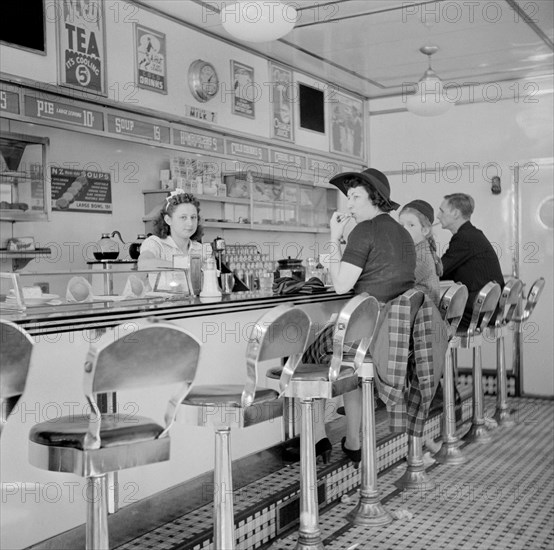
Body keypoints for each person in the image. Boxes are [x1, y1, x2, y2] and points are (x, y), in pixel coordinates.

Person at [286, 168, 415, 464]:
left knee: (304, 355)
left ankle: (316, 437)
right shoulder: (403, 233)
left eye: (355, 196)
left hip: (366, 335)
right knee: (351, 372)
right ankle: (353, 441)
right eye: (348, 197)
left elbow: (342, 284)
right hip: (391, 336)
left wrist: (333, 237)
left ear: (375, 198)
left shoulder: (364, 230)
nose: (349, 204)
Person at [437, 193, 505, 329]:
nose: (438, 216)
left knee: (423, 319)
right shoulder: (471, 235)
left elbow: (439, 270)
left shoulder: (464, 238)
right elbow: (445, 273)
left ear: (455, 213)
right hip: (487, 310)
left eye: (442, 211)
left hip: (476, 313)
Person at [138, 190, 204, 291]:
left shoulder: (199, 249)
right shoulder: (155, 243)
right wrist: (182, 265)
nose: (190, 223)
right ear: (168, 220)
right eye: (183, 217)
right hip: (162, 305)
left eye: (193, 217)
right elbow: (143, 264)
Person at [399, 199, 442, 307]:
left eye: (411, 225)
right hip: (419, 311)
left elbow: (399, 284)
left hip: (421, 317)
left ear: (425, 230)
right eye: (401, 225)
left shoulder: (421, 256)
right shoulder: (419, 250)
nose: (404, 230)